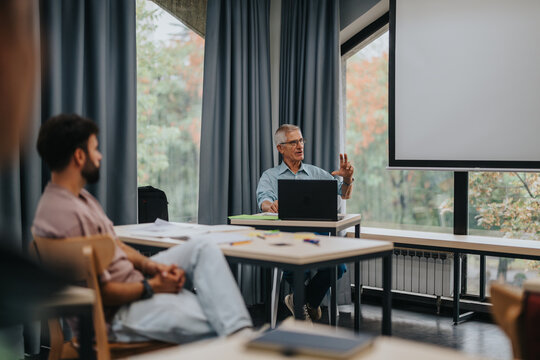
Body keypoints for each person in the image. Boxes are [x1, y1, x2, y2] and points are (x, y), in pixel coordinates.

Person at [32, 113, 253, 344]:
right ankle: (245, 341)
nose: (99, 156)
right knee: (219, 319)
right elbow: (101, 294)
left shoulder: (79, 197)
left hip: (133, 284)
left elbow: (114, 245)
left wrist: (151, 265)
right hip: (116, 314)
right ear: (79, 156)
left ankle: (241, 336)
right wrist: (153, 286)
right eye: (95, 149)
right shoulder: (65, 215)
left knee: (203, 247)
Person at [256, 124, 355, 321]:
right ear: (280, 148)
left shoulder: (316, 173)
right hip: (286, 239)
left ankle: (305, 302)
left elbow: (344, 195)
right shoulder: (270, 176)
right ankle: (303, 307)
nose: (300, 145)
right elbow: (263, 201)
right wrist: (270, 206)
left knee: (338, 266)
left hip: (318, 238)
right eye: (293, 142)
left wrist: (348, 180)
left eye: (301, 140)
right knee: (297, 264)